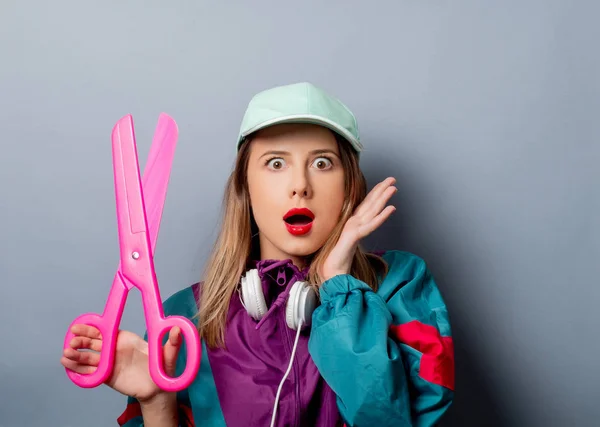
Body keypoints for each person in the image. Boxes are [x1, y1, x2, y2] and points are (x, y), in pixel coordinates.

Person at [61, 82, 455, 427]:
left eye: (322, 163)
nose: (300, 185)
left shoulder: (400, 287)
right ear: (245, 188)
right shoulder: (182, 321)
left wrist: (338, 283)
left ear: (350, 187)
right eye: (276, 163)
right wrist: (156, 401)